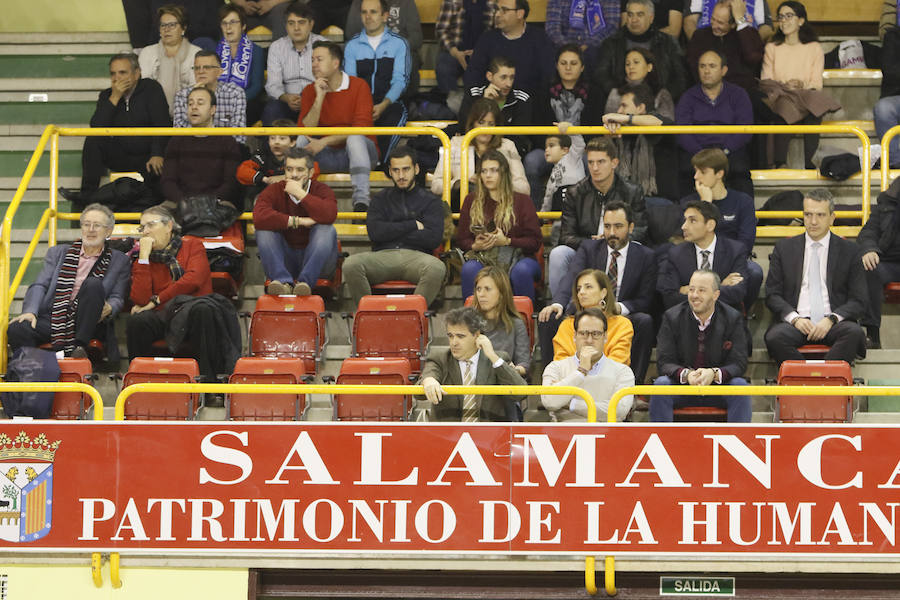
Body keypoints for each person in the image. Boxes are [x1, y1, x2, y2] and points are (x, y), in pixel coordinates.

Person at [540, 201, 657, 382]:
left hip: (621, 313)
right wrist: (557, 304)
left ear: (631, 227)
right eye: (607, 226)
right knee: (549, 317)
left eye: (618, 226)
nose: (612, 232)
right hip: (587, 311)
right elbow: (572, 277)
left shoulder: (646, 256)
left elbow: (646, 299)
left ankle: (635, 387)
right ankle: (552, 383)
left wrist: (617, 307)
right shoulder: (589, 248)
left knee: (645, 321)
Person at [127, 205, 241, 384]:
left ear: (169, 226)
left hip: (193, 310)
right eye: (142, 227)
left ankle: (209, 385)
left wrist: (157, 299)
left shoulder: (192, 245)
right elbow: (141, 300)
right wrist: (143, 258)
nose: (146, 231)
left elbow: (193, 279)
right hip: (164, 314)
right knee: (138, 321)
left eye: (151, 225)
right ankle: (139, 382)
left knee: (203, 310)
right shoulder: (142, 260)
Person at [7, 204, 130, 359]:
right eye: (86, 224)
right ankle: (34, 369)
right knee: (18, 328)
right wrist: (30, 311)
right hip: (56, 318)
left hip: (90, 320)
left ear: (108, 231)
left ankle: (78, 348)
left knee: (93, 284)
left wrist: (111, 307)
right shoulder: (58, 253)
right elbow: (40, 285)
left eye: (97, 225)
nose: (90, 229)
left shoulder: (119, 260)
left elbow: (118, 297)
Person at [764, 189, 868, 365]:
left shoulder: (850, 251)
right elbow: (772, 295)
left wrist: (831, 319)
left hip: (834, 322)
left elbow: (859, 300)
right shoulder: (784, 248)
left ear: (832, 218)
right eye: (808, 215)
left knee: (854, 333)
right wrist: (795, 319)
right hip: (797, 322)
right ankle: (805, 377)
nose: (813, 221)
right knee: (774, 337)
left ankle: (825, 378)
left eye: (820, 215)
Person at [60, 53, 170, 206]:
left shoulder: (151, 88)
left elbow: (162, 122)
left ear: (137, 73)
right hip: (121, 154)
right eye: (113, 74)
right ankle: (87, 193)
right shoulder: (107, 95)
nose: (117, 78)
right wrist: (115, 97)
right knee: (93, 139)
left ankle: (90, 199)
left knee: (156, 184)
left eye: (122, 72)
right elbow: (96, 127)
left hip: (148, 157)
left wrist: (157, 153)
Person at [342, 146, 446, 305]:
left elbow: (433, 239)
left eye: (406, 169)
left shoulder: (431, 201)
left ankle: (414, 313)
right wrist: (412, 225)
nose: (401, 175)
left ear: (416, 169)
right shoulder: (380, 199)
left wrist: (391, 229)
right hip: (382, 256)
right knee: (351, 264)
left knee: (437, 268)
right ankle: (369, 313)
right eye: (396, 170)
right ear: (390, 171)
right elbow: (375, 233)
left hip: (417, 257)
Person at [547, 136, 646, 300]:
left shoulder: (632, 191)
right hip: (587, 250)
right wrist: (593, 244)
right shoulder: (575, 193)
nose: (595, 167)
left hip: (620, 245)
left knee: (637, 247)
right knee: (559, 254)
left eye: (601, 162)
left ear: (614, 163)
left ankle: (622, 304)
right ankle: (560, 307)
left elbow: (640, 230)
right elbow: (566, 236)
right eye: (591, 162)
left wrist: (613, 239)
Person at [651, 269, 751, 422]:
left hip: (717, 388)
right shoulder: (672, 317)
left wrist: (714, 374)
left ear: (716, 295)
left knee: (740, 386)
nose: (694, 295)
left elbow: (739, 363)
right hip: (683, 386)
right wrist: (687, 375)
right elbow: (664, 362)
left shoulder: (732, 318)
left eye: (701, 290)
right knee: (661, 385)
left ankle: (739, 436)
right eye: (691, 289)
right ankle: (660, 437)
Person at [299, 41, 379, 213]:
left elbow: (361, 128)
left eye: (319, 59)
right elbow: (305, 131)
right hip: (326, 156)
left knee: (355, 139)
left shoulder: (359, 86)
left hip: (360, 154)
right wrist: (319, 97)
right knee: (299, 141)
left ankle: (361, 203)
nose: (314, 64)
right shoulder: (309, 90)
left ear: (336, 63)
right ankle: (297, 198)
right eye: (312, 60)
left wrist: (324, 141)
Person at [759, 1, 837, 169]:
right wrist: (785, 85)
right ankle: (780, 163)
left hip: (805, 95)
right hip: (782, 94)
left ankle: (811, 164)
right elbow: (766, 80)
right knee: (783, 105)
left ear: (800, 21)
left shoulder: (814, 48)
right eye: (781, 17)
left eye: (789, 16)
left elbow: (816, 83)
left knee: (814, 105)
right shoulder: (772, 47)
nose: (784, 21)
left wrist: (801, 84)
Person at [456, 150, 542, 300]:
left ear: (504, 173)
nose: (488, 175)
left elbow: (534, 242)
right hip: (483, 257)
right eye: (484, 171)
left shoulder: (522, 201)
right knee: (470, 269)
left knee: (522, 271)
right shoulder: (471, 200)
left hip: (520, 257)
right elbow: (462, 239)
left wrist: (507, 241)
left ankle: (523, 314)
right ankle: (472, 314)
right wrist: (475, 245)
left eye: (494, 170)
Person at [680, 148, 761, 307]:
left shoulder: (742, 201)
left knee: (754, 272)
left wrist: (724, 263)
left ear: (719, 174)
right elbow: (689, 237)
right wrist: (705, 205)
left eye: (703, 172)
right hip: (698, 256)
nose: (696, 177)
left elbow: (746, 242)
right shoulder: (689, 203)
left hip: (732, 259)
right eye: (695, 171)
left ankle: (741, 312)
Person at [253, 147, 339, 296]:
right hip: (285, 260)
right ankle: (283, 283)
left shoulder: (322, 190)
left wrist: (300, 194)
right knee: (263, 231)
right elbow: (259, 217)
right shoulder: (274, 190)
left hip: (319, 262)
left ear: (311, 173)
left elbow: (330, 215)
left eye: (300, 170)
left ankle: (304, 284)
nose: (294, 175)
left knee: (326, 229)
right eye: (289, 169)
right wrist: (297, 221)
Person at [419, 306, 527, 422]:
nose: (454, 342)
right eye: (450, 336)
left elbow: (520, 393)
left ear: (477, 335)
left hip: (489, 431)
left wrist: (492, 356)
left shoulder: (497, 359)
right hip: (449, 432)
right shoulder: (440, 358)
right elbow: (422, 389)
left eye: (460, 336)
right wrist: (428, 381)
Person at [675, 48, 753, 198]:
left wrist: (724, 152)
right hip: (697, 153)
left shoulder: (738, 94)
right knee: (684, 170)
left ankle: (744, 210)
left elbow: (745, 129)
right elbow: (682, 132)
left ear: (724, 70)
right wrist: (702, 155)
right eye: (702, 66)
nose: (706, 71)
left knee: (740, 172)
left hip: (729, 151)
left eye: (712, 66)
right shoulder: (688, 97)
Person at [432, 98, 529, 211]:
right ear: (472, 123)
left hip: (499, 209)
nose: (486, 129)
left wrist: (499, 182)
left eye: (491, 124)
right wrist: (460, 183)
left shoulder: (508, 146)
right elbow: (436, 185)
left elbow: (524, 188)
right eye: (481, 122)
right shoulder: (455, 143)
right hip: (463, 208)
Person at [343, 0, 412, 159]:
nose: (368, 16)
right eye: (364, 12)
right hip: (360, 104)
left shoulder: (399, 43)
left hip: (390, 103)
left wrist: (383, 105)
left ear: (385, 16)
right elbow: (351, 82)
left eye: (373, 12)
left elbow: (400, 81)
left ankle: (383, 163)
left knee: (395, 115)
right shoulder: (352, 45)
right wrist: (364, 107)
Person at [524, 44, 590, 209]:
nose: (568, 68)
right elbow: (536, 127)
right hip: (549, 147)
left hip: (580, 149)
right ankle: (536, 212)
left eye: (573, 63)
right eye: (563, 63)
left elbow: (594, 128)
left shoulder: (594, 92)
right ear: (556, 65)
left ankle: (589, 212)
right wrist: (554, 148)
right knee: (531, 161)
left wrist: (578, 149)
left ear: (582, 67)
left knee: (591, 162)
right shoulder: (542, 92)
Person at [541, 307, 634, 421]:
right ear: (574, 336)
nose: (589, 340)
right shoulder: (556, 367)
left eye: (595, 334)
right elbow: (550, 402)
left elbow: (619, 411)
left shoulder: (622, 371)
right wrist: (581, 371)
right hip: (565, 431)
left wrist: (570, 404)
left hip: (607, 431)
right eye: (583, 333)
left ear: (605, 337)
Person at [161, 86, 243, 213]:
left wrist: (206, 204)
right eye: (190, 104)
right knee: (152, 217)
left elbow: (230, 183)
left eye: (200, 103)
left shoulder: (227, 141)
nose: (194, 107)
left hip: (217, 204)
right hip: (180, 203)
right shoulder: (176, 141)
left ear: (212, 109)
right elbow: (168, 181)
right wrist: (185, 202)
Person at [591, 0, 687, 107]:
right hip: (621, 103)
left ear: (651, 18)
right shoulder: (612, 43)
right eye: (630, 15)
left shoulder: (668, 43)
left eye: (640, 15)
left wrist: (660, 97)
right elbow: (601, 76)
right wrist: (623, 95)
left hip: (659, 104)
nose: (634, 20)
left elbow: (680, 79)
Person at [658, 200, 748, 311]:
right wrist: (719, 287)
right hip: (688, 315)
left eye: (692, 221)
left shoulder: (735, 250)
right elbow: (670, 298)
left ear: (710, 225)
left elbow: (738, 293)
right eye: (685, 220)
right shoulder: (676, 254)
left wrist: (691, 290)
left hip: (724, 315)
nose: (684, 226)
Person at [463, 0, 556, 97]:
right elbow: (473, 75)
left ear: (520, 14)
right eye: (497, 9)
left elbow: (548, 77)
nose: (497, 14)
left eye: (504, 10)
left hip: (530, 101)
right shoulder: (487, 39)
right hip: (493, 100)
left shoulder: (540, 39)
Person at [549, 269, 634, 365]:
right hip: (575, 374)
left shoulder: (621, 325)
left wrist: (587, 368)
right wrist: (583, 370)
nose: (581, 292)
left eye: (588, 287)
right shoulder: (567, 326)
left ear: (603, 293)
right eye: (579, 289)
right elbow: (562, 363)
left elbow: (618, 363)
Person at [262, 1, 327, 125]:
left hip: (316, 98)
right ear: (286, 26)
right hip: (287, 101)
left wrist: (309, 98)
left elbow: (330, 80)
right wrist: (286, 98)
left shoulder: (323, 44)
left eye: (301, 23)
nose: (296, 28)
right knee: (272, 110)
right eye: (291, 23)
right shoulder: (277, 47)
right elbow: (273, 85)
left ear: (311, 24)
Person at [601, 82, 669, 198]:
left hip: (658, 199)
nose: (619, 111)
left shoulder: (656, 122)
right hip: (624, 199)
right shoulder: (621, 130)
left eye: (624, 106)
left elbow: (660, 123)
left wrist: (626, 118)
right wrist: (608, 135)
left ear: (640, 108)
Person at [458, 55, 534, 159]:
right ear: (490, 76)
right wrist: (485, 103)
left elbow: (519, 138)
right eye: (503, 77)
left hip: (507, 152)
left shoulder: (521, 99)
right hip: (474, 151)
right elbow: (464, 127)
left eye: (512, 77)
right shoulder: (474, 94)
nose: (508, 84)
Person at [344, 0, 423, 96]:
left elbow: (416, 38)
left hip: (397, 53)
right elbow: (350, 34)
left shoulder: (406, 2)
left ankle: (405, 102)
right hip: (366, 51)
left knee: (409, 60)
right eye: (364, 12)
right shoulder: (360, 2)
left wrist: (393, 48)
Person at [686, 0, 765, 93]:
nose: (714, 26)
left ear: (733, 24)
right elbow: (693, 68)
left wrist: (741, 21)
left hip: (741, 93)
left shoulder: (748, 35)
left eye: (720, 23)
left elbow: (752, 57)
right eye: (713, 19)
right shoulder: (700, 35)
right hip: (706, 91)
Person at [859, 176, 900, 349]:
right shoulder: (888, 201)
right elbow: (868, 232)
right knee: (870, 268)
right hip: (890, 262)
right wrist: (869, 249)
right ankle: (873, 335)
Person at [138, 4, 201, 114]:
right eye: (163, 25)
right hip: (152, 112)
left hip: (189, 112)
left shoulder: (196, 53)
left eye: (172, 25)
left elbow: (198, 87)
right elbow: (143, 88)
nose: (166, 29)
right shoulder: (147, 52)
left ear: (183, 28)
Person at [172, 50, 247, 143]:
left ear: (219, 72)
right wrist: (195, 95)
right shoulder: (182, 95)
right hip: (192, 147)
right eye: (197, 68)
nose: (201, 71)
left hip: (226, 148)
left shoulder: (235, 93)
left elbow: (239, 134)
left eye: (207, 67)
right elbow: (179, 132)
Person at [470, 266, 532, 376]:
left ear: (502, 293)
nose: (481, 294)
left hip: (504, 380)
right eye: (478, 289)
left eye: (487, 289)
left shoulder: (516, 324)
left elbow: (524, 364)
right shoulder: (469, 322)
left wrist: (513, 370)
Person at [215, 4, 266, 124]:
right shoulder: (215, 50)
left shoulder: (256, 50)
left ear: (243, 26)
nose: (228, 27)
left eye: (233, 22)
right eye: (224, 23)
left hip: (247, 101)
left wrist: (236, 99)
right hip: (219, 101)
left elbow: (256, 86)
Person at [434, 0, 498, 94]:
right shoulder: (451, 2)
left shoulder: (492, 3)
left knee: (491, 69)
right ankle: (452, 99)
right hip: (454, 51)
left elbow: (496, 33)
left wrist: (480, 52)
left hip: (482, 52)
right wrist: (455, 52)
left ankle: (478, 99)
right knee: (443, 69)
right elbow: (441, 30)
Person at [544, 0, 620, 68]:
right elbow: (552, 28)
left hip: (596, 47)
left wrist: (590, 44)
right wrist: (569, 48)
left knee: (596, 53)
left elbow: (612, 26)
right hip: (564, 47)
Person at [236, 118, 298, 199]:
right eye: (272, 138)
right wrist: (265, 179)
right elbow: (242, 171)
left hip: (291, 196)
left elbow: (311, 172)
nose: (276, 142)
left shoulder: (299, 156)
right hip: (265, 195)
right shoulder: (263, 155)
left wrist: (284, 177)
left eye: (282, 138)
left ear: (292, 142)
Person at [684, 0, 774, 43]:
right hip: (706, 44)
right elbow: (689, 21)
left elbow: (766, 28)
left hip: (742, 48)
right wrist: (698, 45)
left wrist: (752, 44)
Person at [540, 134, 585, 216]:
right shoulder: (553, 174)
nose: (546, 150)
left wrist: (568, 129)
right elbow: (548, 197)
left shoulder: (572, 158)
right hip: (561, 210)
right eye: (546, 147)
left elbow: (579, 143)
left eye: (551, 146)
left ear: (565, 150)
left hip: (577, 203)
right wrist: (543, 215)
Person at [227, 0, 292, 39]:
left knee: (281, 12)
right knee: (230, 15)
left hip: (276, 8)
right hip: (245, 11)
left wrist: (271, 3)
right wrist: (243, 4)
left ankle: (280, 55)